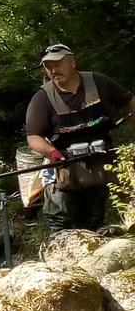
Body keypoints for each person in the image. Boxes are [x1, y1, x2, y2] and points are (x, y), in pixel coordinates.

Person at [26, 44, 135, 232]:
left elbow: (129, 100)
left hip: (102, 163)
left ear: (72, 63)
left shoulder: (99, 82)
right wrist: (52, 152)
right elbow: (33, 137)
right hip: (64, 165)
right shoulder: (42, 97)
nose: (53, 70)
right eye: (48, 66)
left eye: (57, 64)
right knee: (59, 221)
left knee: (95, 220)